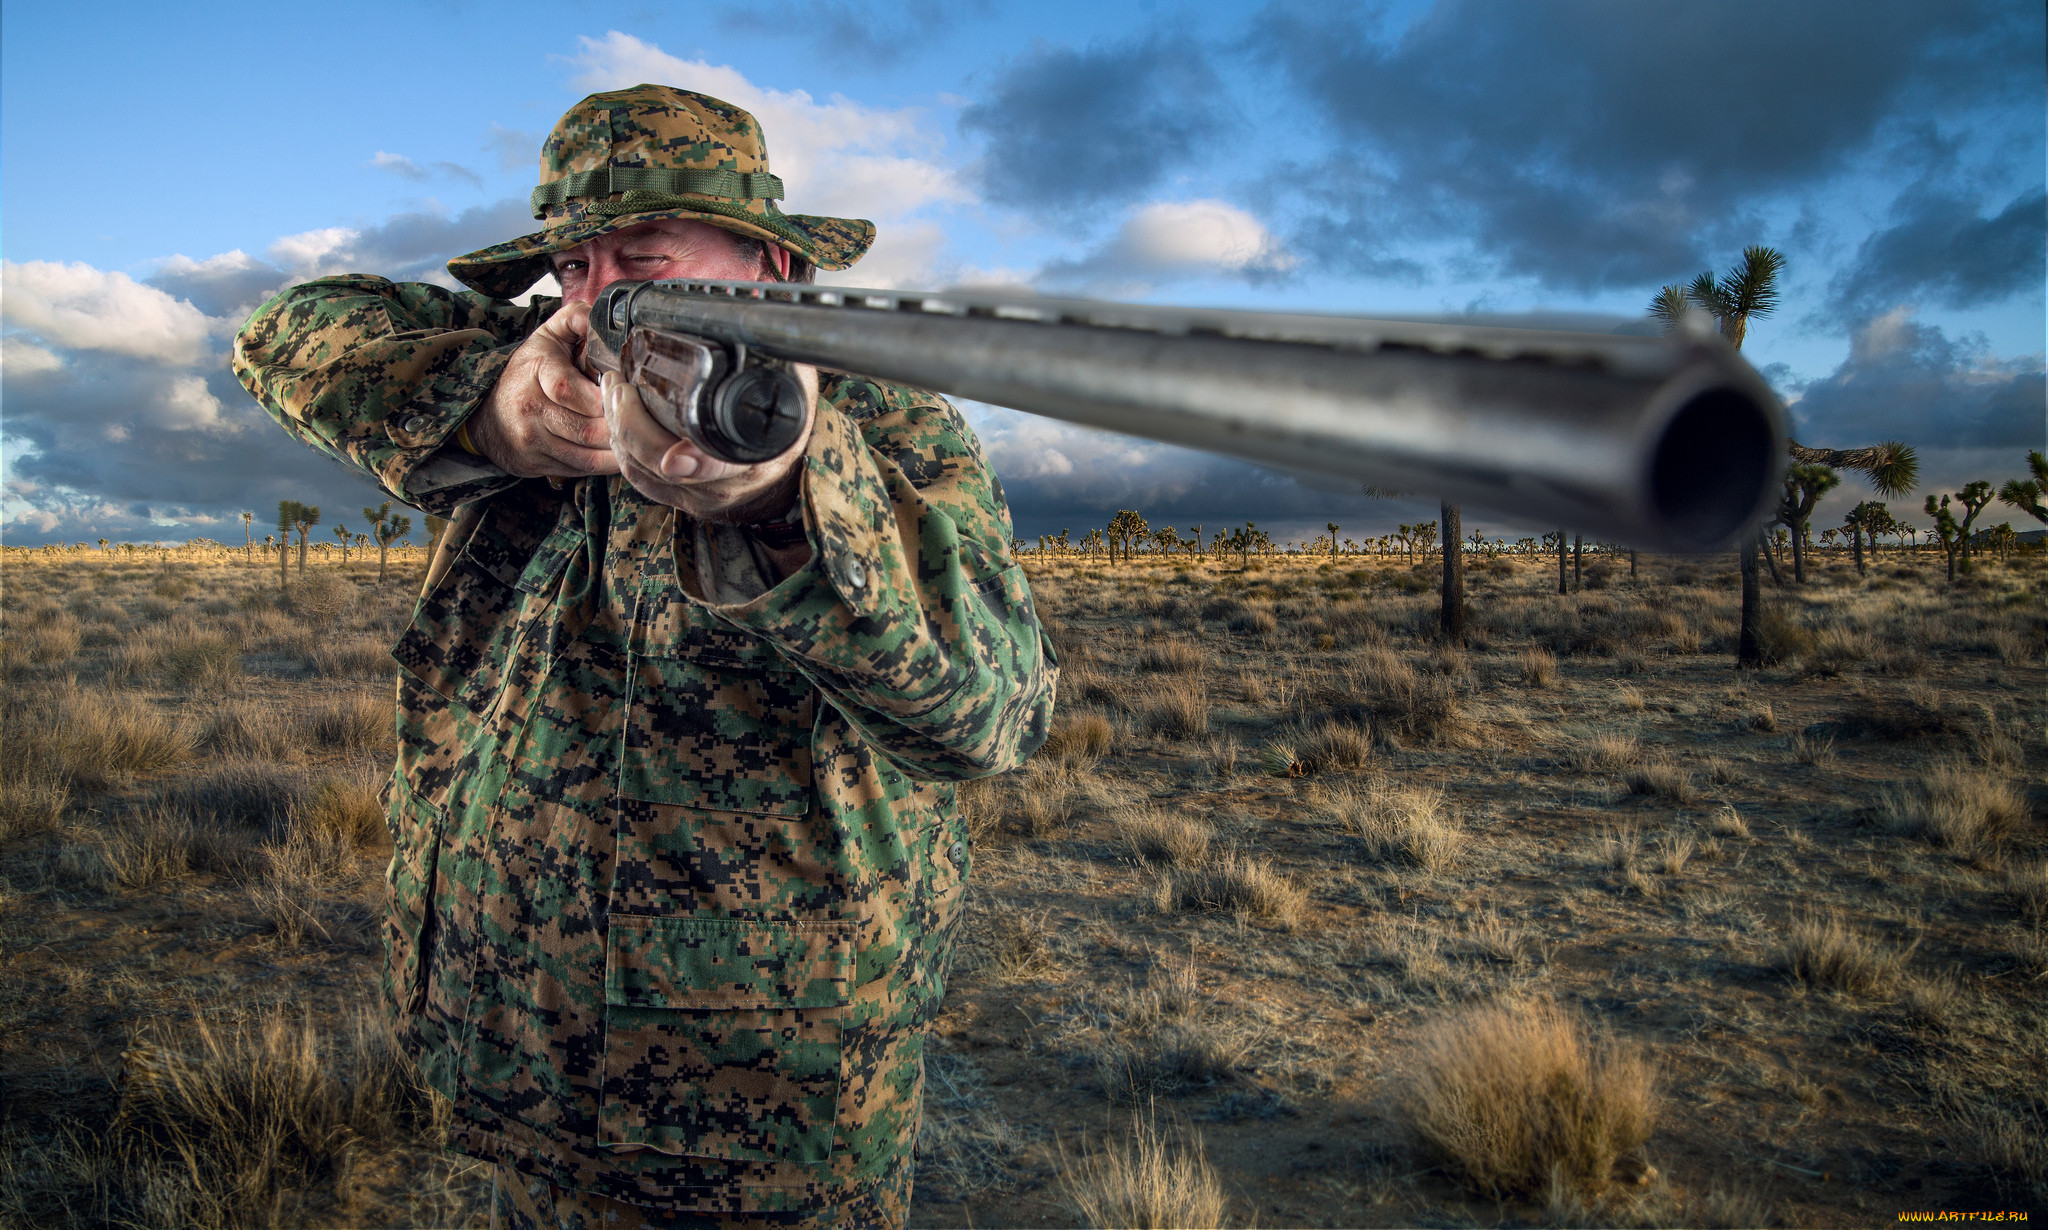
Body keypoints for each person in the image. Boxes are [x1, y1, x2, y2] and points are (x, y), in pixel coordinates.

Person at [232, 84, 1054, 1229]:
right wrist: (491, 412)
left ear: (768, 263)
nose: (598, 291)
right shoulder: (544, 357)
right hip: (513, 1054)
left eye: (642, 252)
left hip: (760, 1106)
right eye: (573, 266)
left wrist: (786, 503)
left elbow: (988, 716)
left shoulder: (886, 421)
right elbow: (288, 327)